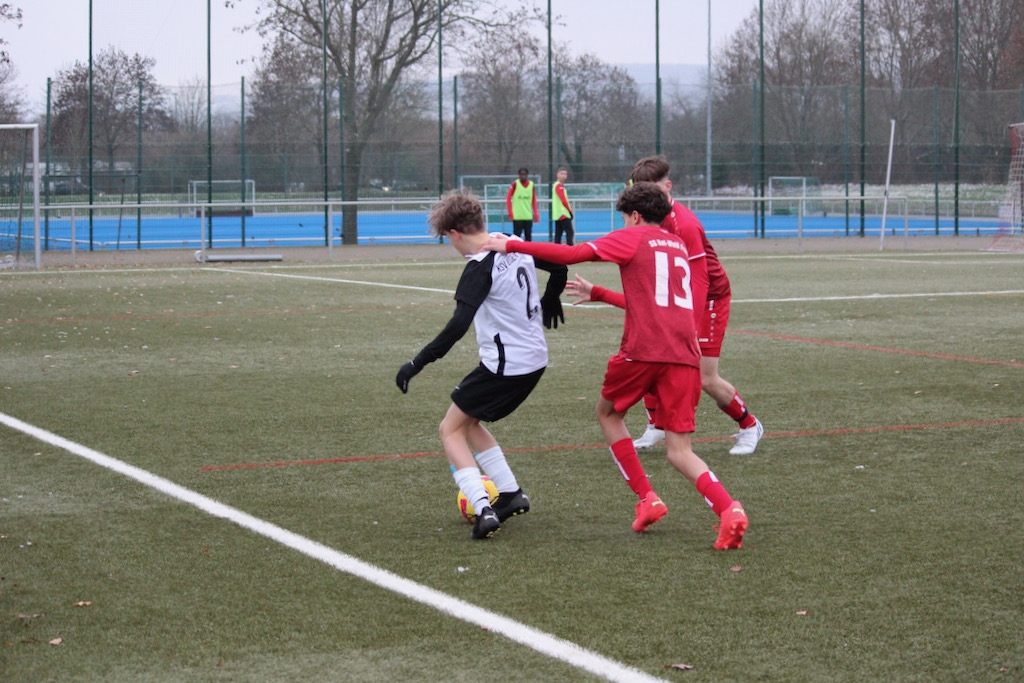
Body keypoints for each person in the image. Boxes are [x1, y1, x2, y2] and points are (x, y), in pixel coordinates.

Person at [485, 181, 749, 550]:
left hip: (643, 351)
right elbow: (653, 302)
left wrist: (511, 244)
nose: (623, 223)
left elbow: (571, 253)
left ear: (635, 216)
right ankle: (729, 509)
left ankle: (647, 497)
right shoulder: (676, 245)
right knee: (680, 451)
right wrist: (599, 293)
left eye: (624, 217)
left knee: (608, 413)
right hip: (685, 355)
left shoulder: (633, 237)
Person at [396, 189, 567, 540]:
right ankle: (510, 494)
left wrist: (417, 363)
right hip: (535, 360)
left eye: (448, 239)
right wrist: (552, 297)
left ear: (455, 233)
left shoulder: (478, 268)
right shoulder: (512, 241)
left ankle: (483, 507)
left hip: (506, 366)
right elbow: (559, 264)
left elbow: (457, 327)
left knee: (450, 429)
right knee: (469, 422)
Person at [627, 155, 764, 456]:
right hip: (674, 296)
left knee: (704, 376)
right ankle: (656, 426)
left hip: (709, 298)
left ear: (667, 187)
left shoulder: (684, 224)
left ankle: (749, 426)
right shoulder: (644, 217)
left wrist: (686, 324)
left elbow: (701, 280)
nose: (646, 196)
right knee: (647, 357)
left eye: (651, 189)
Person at [506, 167, 539, 241]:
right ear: (519, 175)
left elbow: (534, 201)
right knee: (516, 238)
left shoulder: (531, 185)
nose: (523, 176)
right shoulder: (515, 184)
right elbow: (508, 199)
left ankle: (528, 249)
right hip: (517, 216)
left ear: (527, 175)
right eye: (521, 174)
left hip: (528, 216)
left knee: (528, 237)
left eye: (524, 174)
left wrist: (536, 214)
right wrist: (510, 213)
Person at [552, 166, 575, 245]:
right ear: (557, 175)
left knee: (558, 233)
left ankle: (556, 249)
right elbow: (563, 200)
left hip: (558, 214)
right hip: (563, 213)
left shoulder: (556, 185)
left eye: (565, 174)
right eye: (561, 174)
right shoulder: (559, 186)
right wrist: (569, 211)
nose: (563, 176)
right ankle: (570, 248)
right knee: (570, 232)